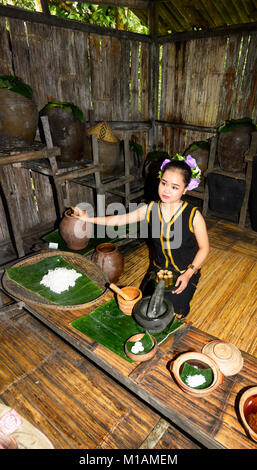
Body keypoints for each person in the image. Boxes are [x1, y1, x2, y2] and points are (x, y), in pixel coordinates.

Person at [72, 154, 209, 318]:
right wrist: (88, 218)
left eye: (174, 187)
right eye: (163, 183)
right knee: (143, 308)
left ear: (185, 189)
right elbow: (120, 219)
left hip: (184, 271)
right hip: (159, 271)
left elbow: (204, 248)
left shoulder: (193, 215)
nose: (166, 190)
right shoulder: (150, 209)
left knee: (173, 313)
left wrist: (188, 274)